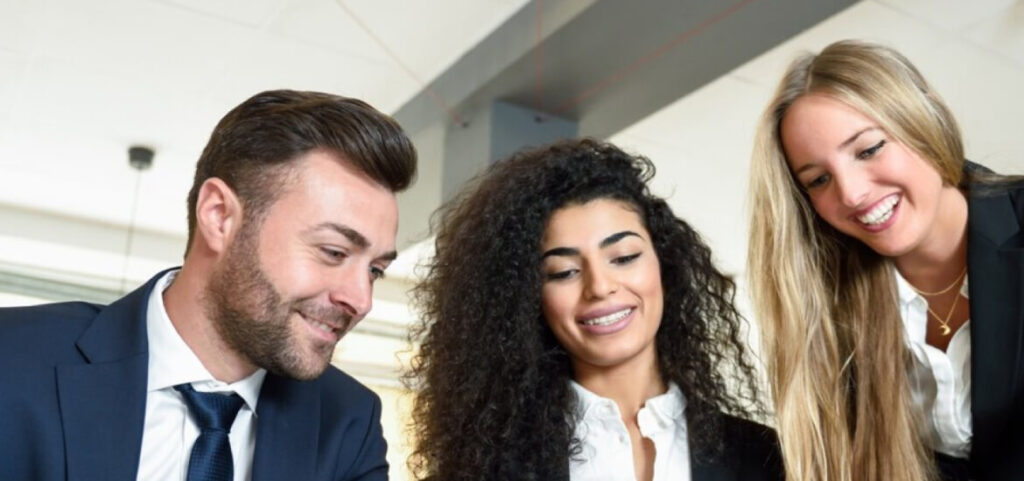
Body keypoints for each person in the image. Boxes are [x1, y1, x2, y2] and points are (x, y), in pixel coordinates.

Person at [0, 89, 417, 481]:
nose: (361, 300)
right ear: (219, 217)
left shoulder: (348, 425)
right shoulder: (12, 357)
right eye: (333, 252)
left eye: (375, 270)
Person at [406, 138, 782, 481]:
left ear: (664, 264)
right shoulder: (482, 470)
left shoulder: (763, 457)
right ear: (529, 300)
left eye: (624, 257)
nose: (600, 287)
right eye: (564, 272)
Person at [748, 39, 1024, 481]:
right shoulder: (831, 310)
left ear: (924, 115)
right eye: (818, 179)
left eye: (869, 150)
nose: (852, 193)